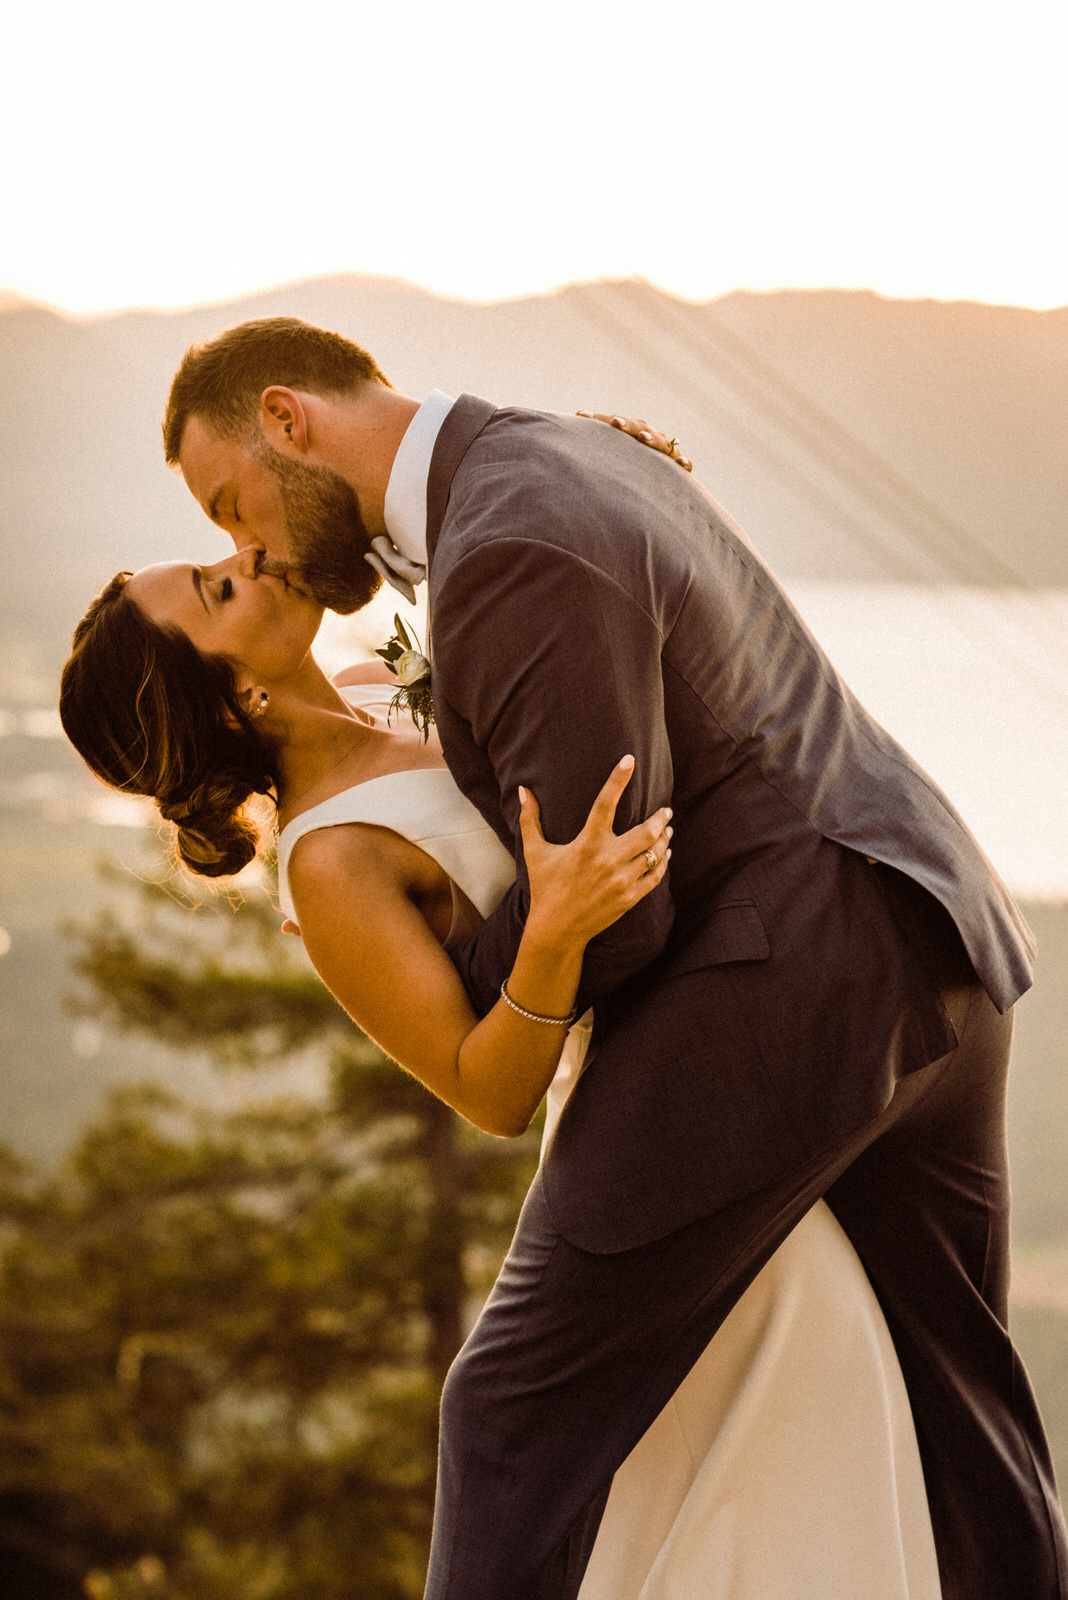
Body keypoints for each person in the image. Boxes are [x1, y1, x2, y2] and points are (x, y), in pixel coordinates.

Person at [75, 314, 1068, 1597]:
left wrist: (533, 940)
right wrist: (524, 945)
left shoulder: (504, 543)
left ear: (286, 418)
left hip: (793, 984)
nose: (245, 549)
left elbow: (627, 905)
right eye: (217, 565)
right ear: (232, 700)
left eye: (229, 515)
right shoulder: (558, 459)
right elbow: (524, 986)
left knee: (506, 1416)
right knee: (964, 1407)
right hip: (930, 924)